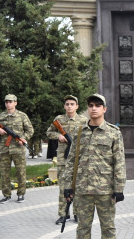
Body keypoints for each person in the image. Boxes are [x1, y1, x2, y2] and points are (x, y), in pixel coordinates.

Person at [63, 93, 126, 238]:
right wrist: (68, 186)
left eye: (98, 106)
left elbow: (119, 162)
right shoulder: (79, 132)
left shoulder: (113, 133)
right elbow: (71, 161)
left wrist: (119, 188)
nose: (94, 109)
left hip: (105, 191)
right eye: (91, 106)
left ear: (104, 109)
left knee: (108, 229)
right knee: (83, 228)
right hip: (83, 190)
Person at [46, 95, 88, 224]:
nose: (69, 106)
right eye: (67, 104)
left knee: (77, 186)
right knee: (63, 186)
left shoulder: (83, 120)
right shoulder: (59, 119)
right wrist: (58, 135)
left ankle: (77, 213)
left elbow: (89, 135)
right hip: (63, 157)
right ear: (64, 106)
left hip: (78, 158)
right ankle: (64, 214)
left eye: (72, 104)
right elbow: (49, 132)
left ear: (77, 106)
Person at [0, 94, 34, 204]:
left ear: (15, 103)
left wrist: (23, 138)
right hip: (4, 149)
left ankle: (21, 194)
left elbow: (30, 130)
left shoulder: (22, 116)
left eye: (10, 102)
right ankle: (6, 195)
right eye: (6, 102)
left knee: (21, 173)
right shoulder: (1, 116)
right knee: (4, 173)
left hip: (18, 149)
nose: (8, 104)